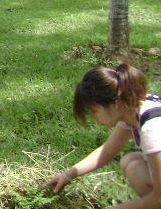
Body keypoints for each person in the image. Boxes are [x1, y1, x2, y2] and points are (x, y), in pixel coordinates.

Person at [48, 64, 161, 208]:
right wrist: (68, 174)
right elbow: (107, 151)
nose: (95, 119)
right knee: (131, 162)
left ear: (114, 104)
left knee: (135, 168)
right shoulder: (132, 109)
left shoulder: (152, 127)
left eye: (94, 111)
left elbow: (159, 198)